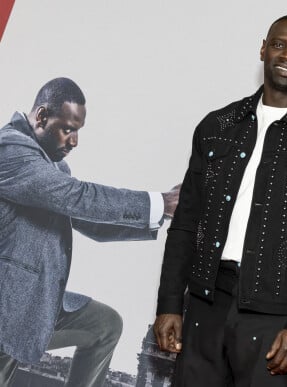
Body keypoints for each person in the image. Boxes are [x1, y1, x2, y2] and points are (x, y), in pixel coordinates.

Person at [154, 14, 287, 387]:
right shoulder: (217, 127)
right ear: (263, 49)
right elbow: (186, 222)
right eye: (280, 44)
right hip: (206, 305)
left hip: (278, 322)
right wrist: (170, 302)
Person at [0, 77, 180, 387]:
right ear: (42, 116)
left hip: (34, 304)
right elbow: (78, 197)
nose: (74, 142)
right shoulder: (10, 150)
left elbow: (90, 221)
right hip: (6, 308)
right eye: (68, 129)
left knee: (105, 325)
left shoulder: (52, 167)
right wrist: (159, 202)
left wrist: (160, 213)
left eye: (78, 132)